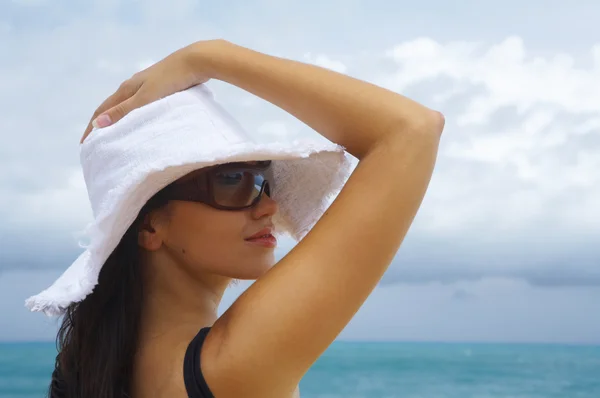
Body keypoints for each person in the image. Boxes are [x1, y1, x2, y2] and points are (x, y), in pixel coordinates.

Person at [31, 39, 445, 397]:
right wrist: (208, 56)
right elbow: (411, 129)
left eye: (265, 182)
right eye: (232, 181)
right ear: (150, 225)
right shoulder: (226, 367)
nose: (269, 206)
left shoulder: (92, 367)